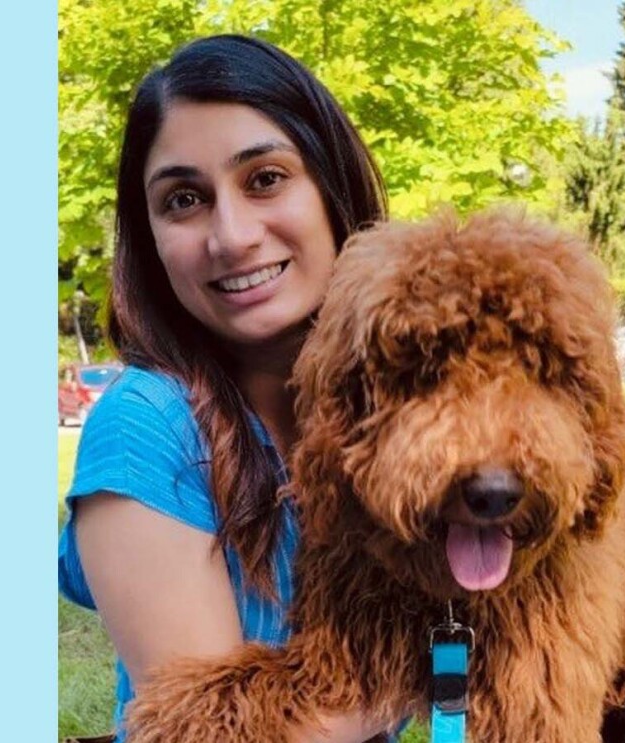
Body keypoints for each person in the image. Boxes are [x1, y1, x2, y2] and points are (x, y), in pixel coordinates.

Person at [58, 35, 401, 742]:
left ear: (332, 188)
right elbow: (216, 731)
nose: (233, 235)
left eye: (266, 178)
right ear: (149, 236)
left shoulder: (390, 412)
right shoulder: (147, 424)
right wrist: (451, 650)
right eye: (184, 199)